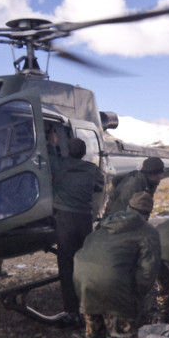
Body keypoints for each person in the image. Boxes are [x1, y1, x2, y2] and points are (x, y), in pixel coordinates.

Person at [73, 192, 160, 338]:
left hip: (82, 278)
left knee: (93, 328)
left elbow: (87, 246)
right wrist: (136, 294)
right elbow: (149, 270)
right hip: (113, 283)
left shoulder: (104, 225)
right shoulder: (146, 231)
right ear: (147, 213)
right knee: (123, 334)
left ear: (129, 208)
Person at [49, 138, 105, 327]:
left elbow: (47, 157)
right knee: (84, 262)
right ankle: (89, 306)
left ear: (68, 151)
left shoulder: (59, 165)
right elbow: (100, 186)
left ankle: (72, 311)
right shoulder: (92, 169)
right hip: (84, 220)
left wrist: (51, 141)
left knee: (66, 264)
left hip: (64, 219)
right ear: (83, 152)